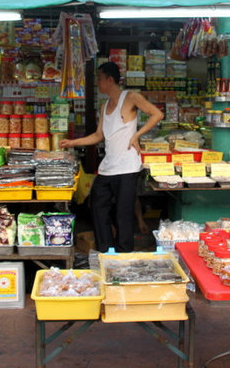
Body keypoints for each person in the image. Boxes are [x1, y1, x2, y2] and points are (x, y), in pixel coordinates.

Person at [60, 62, 163, 252]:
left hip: (127, 168)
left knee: (123, 215)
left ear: (110, 79)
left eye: (99, 78)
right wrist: (72, 143)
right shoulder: (104, 106)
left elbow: (156, 114)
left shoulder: (131, 97)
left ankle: (124, 255)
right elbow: (99, 136)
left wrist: (136, 135)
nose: (98, 82)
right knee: (98, 207)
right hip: (108, 168)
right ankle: (105, 251)